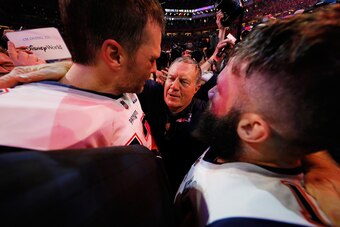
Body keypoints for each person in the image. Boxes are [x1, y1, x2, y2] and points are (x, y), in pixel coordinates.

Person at [175, 4, 340, 226]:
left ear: (252, 129)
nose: (211, 91)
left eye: (220, 90)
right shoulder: (244, 134)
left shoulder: (249, 218)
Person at [0, 0, 164, 150]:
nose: (154, 69)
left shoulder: (121, 83)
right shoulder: (24, 122)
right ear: (115, 55)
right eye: (152, 59)